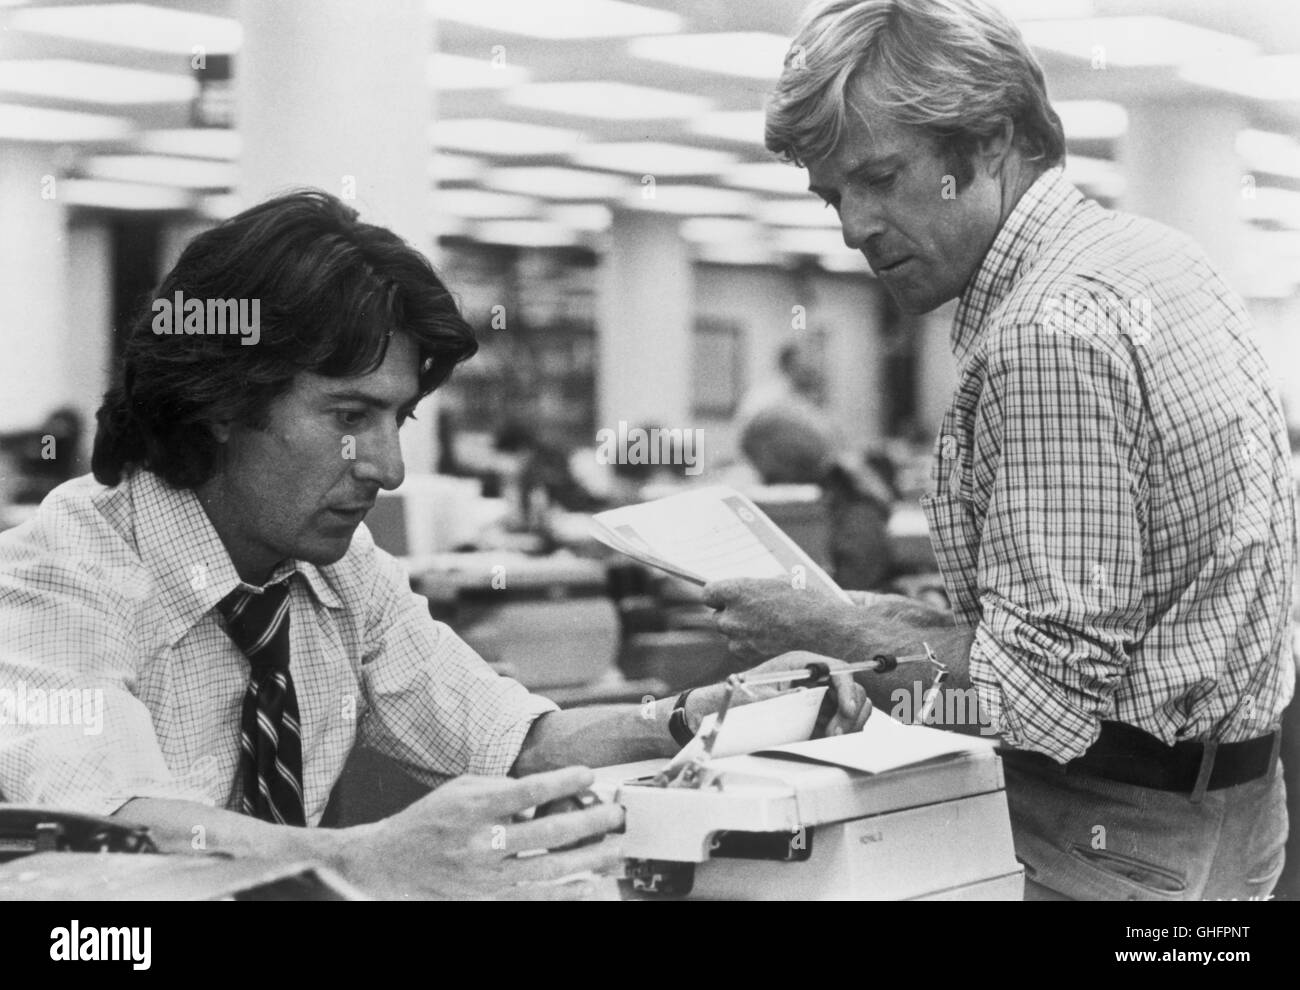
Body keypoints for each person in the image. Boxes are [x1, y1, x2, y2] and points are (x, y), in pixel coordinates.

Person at [0, 190, 870, 900]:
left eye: (398, 418)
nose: (389, 467)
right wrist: (366, 859)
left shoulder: (336, 572)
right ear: (221, 400)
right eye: (350, 417)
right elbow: (118, 833)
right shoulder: (58, 579)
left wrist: (693, 717)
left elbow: (514, 742)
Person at [703, 0, 1296, 901]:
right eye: (833, 195)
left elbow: (1041, 702)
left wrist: (822, 632)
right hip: (1232, 809)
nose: (854, 226)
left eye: (879, 176)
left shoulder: (1043, 334)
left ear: (987, 142)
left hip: (1106, 832)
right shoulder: (1157, 258)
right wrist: (881, 621)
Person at [740, 405, 894, 590]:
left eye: (768, 475)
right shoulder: (844, 496)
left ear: (789, 462)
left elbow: (849, 592)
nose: (764, 482)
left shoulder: (856, 515)